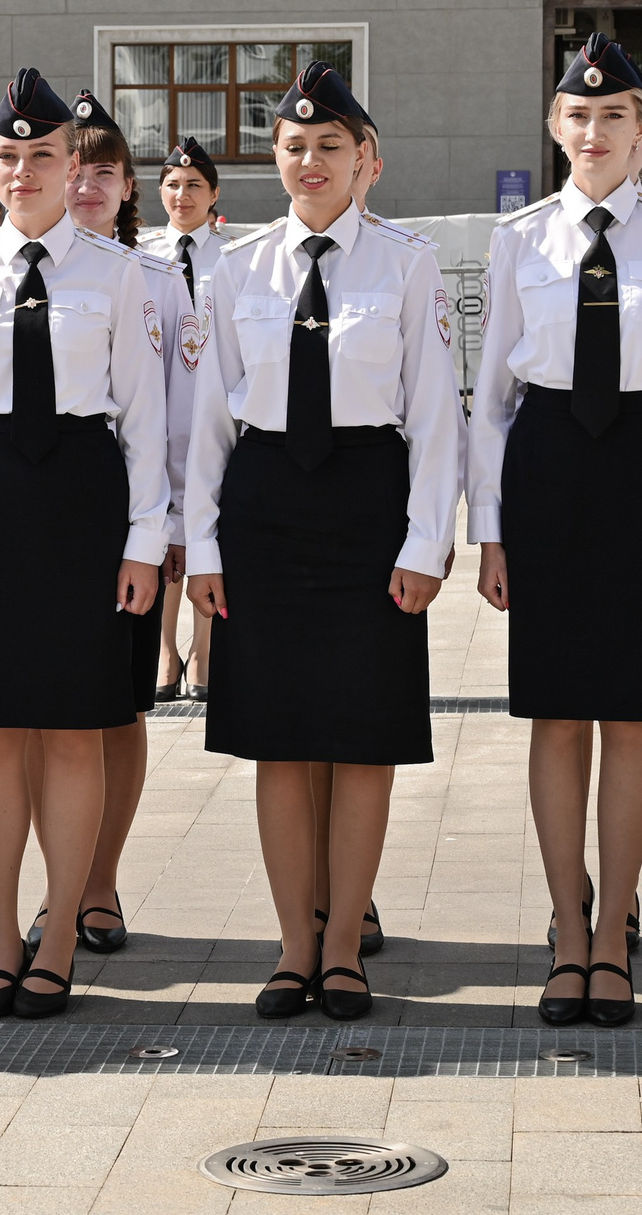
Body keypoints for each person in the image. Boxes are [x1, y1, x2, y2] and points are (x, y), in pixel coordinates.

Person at [186, 63, 462, 1022]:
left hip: (366, 506)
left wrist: (429, 542)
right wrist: (205, 549)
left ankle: (344, 945)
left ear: (368, 163)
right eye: (295, 146)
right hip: (264, 508)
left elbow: (434, 417)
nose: (310, 160)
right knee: (279, 742)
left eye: (331, 146)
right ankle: (291, 945)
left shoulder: (407, 262)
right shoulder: (237, 267)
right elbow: (207, 425)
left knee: (359, 738)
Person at [469, 34, 642, 1029]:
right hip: (545, 472)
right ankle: (565, 923)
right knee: (554, 711)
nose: (592, 132)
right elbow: (490, 396)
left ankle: (614, 929)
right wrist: (487, 530)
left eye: (613, 116)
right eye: (577, 116)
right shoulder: (519, 238)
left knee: (631, 712)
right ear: (553, 124)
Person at [0, 69, 167, 1020]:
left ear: (71, 166)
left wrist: (145, 543)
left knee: (73, 726)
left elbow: (142, 418)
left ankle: (59, 939)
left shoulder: (119, 272)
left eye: (41, 156)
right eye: (7, 157)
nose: (24, 172)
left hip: (81, 505)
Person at [49, 94, 195, 962]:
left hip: (128, 520)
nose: (85, 183)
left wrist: (173, 521)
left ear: (128, 183)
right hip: (44, 520)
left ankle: (98, 880)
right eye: (75, 165)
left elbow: (178, 416)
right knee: (39, 713)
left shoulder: (158, 281)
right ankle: (54, 887)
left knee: (116, 707)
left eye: (104, 168)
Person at [142, 136, 226, 702]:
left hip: (215, 416)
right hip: (160, 414)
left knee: (208, 530)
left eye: (194, 184)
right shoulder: (143, 256)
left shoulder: (235, 256)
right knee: (164, 528)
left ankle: (206, 646)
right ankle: (163, 647)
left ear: (214, 194)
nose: (182, 194)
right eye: (172, 184)